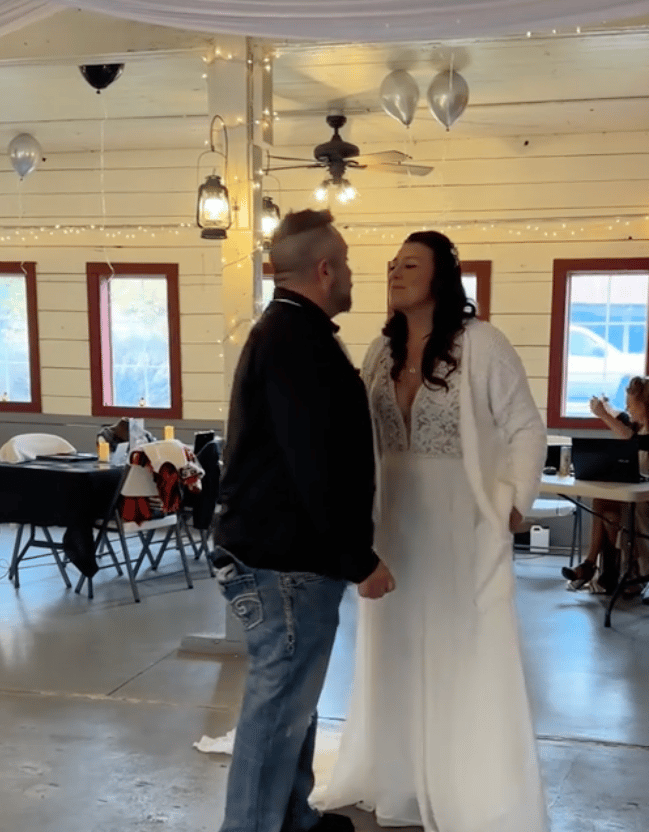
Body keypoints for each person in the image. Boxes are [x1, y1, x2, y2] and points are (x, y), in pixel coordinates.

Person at [320, 231, 549, 832]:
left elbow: (526, 427)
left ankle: (463, 779)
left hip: (461, 523)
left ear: (441, 277)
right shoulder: (379, 351)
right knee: (393, 647)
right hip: (392, 521)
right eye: (392, 264)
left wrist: (512, 509)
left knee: (459, 646)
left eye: (410, 264)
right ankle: (397, 775)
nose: (395, 272)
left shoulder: (482, 344)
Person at [212, 209, 395, 832]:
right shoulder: (296, 341)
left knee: (295, 703)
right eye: (345, 264)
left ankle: (293, 819)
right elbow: (314, 466)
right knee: (276, 711)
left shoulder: (293, 332)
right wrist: (358, 560)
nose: (352, 275)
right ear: (324, 270)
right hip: (284, 562)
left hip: (279, 554)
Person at [562, 376, 649, 595]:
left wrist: (603, 415)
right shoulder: (638, 425)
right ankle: (593, 567)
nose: (628, 408)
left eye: (631, 404)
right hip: (631, 495)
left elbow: (631, 439)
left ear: (647, 405)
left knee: (611, 516)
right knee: (602, 504)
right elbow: (624, 420)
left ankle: (621, 574)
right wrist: (609, 410)